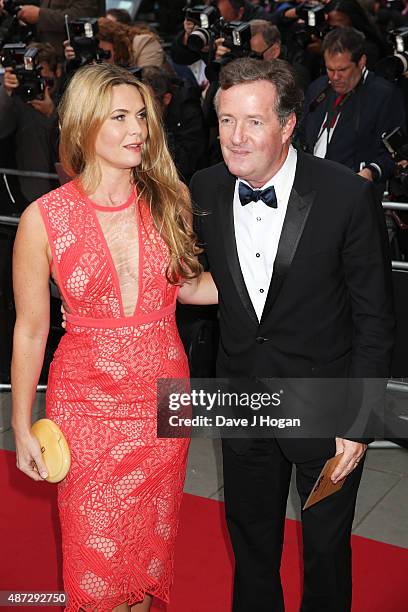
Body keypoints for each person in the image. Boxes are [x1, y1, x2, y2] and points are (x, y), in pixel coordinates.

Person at [190, 57, 394, 611]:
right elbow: (198, 281)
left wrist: (360, 422)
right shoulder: (204, 188)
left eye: (253, 122)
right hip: (240, 399)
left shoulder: (346, 195)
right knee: (251, 548)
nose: (235, 137)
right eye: (226, 120)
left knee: (326, 555)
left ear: (287, 125)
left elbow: (375, 319)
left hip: (327, 407)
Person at [11, 62, 217, 612]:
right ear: (84, 123)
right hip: (86, 405)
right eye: (120, 116)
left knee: (149, 555)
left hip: (164, 399)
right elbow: (31, 329)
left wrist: (284, 286)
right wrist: (20, 422)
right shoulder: (43, 219)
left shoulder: (166, 198)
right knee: (95, 567)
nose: (138, 130)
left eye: (143, 116)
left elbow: (190, 285)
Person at [297, 26, 405, 195]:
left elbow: (396, 153)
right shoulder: (318, 87)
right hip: (310, 187)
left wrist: (371, 171)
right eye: (330, 69)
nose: (335, 77)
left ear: (361, 62)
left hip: (354, 193)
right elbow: (302, 134)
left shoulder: (385, 95)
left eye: (342, 70)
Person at [0, 42, 62, 208]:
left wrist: (52, 114)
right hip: (29, 196)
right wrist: (6, 92)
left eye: (46, 81)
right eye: (34, 80)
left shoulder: (69, 96)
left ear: (58, 72)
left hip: (65, 190)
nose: (41, 87)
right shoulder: (16, 101)